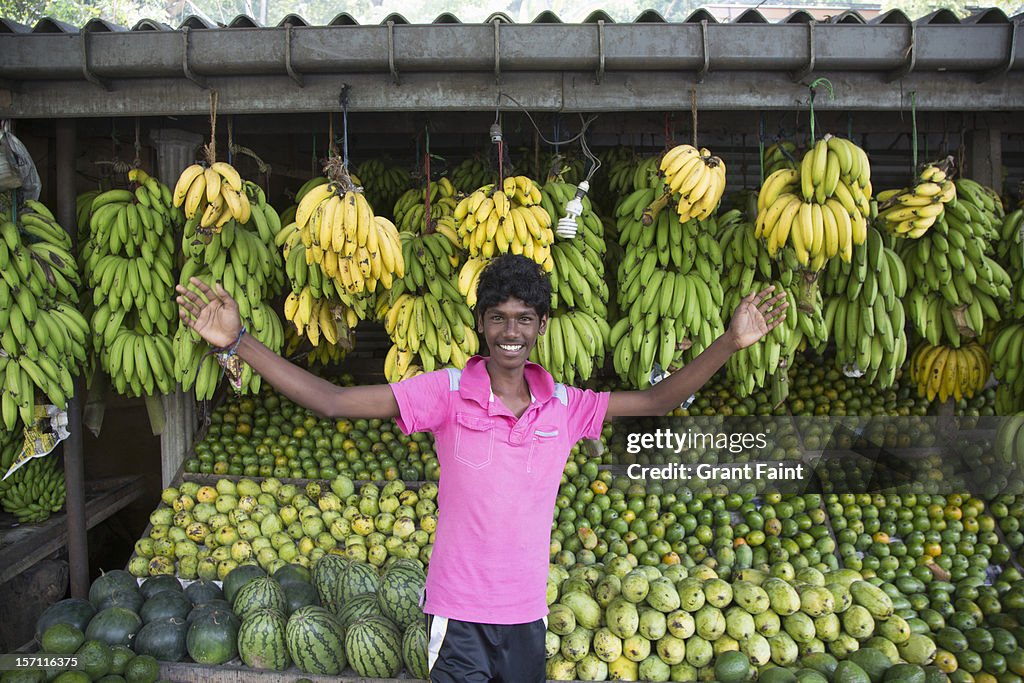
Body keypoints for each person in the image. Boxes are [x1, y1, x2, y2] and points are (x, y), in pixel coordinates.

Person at [176, 253, 786, 682]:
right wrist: (238, 344)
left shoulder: (566, 406)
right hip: (458, 615)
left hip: (525, 615)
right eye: (499, 318)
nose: (511, 332)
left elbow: (656, 401)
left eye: (524, 319)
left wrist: (730, 343)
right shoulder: (446, 391)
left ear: (542, 327)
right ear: (481, 325)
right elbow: (335, 402)